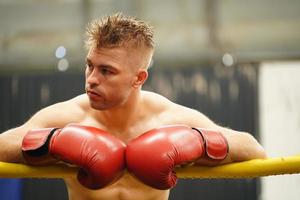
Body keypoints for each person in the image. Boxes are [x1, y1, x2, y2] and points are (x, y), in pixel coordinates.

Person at [0, 13, 266, 200]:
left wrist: (194, 142)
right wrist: (55, 142)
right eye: (90, 65)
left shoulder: (168, 119)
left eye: (106, 71)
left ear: (138, 78)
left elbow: (255, 151)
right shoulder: (69, 116)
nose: (92, 79)